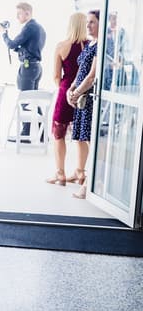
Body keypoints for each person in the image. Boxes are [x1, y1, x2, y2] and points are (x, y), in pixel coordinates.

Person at [46, 12, 88, 186]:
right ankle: (79, 173)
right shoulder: (91, 47)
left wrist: (65, 88)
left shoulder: (61, 46)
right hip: (84, 94)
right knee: (80, 135)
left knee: (59, 133)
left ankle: (60, 174)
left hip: (65, 93)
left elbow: (56, 76)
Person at [0, 2, 46, 141]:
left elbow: (12, 44)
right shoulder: (40, 28)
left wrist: (4, 34)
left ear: (27, 13)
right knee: (34, 101)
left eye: (19, 13)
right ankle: (42, 134)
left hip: (28, 68)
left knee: (25, 101)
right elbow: (31, 48)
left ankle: (25, 134)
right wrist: (20, 50)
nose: (17, 16)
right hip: (36, 66)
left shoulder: (29, 27)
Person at [67, 10, 100, 200]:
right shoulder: (89, 44)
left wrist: (77, 92)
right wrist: (71, 88)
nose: (88, 25)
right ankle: (82, 174)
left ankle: (88, 185)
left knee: (91, 142)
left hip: (89, 98)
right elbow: (81, 70)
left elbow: (91, 75)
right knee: (81, 138)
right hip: (81, 96)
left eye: (93, 22)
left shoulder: (100, 46)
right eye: (87, 22)